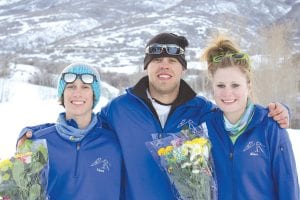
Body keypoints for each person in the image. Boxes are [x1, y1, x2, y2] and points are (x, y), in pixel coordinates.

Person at [18, 33, 290, 199]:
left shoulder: (202, 111)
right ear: (146, 66)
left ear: (182, 68)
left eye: (172, 60)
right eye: (156, 59)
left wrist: (276, 111)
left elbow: (235, 110)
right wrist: (37, 132)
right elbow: (83, 122)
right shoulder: (121, 108)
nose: (164, 66)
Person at [202, 35, 299, 199]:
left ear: (248, 86)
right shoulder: (205, 127)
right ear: (212, 87)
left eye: (235, 85)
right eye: (220, 85)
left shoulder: (270, 126)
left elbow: (288, 187)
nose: (227, 93)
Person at [19, 63, 123, 199]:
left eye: (85, 87)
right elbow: (21, 192)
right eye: (71, 87)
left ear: (94, 95)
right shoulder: (39, 142)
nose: (77, 93)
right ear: (62, 94)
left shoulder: (115, 144)